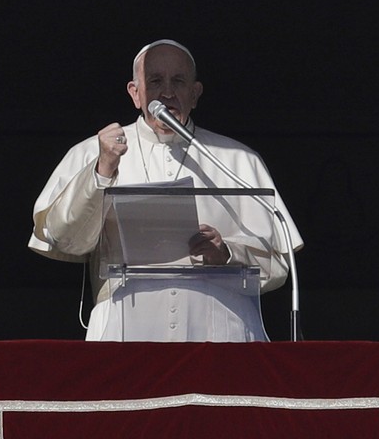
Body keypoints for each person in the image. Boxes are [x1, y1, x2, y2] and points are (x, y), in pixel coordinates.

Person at [29, 39, 303, 341]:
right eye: (155, 81)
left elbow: (278, 264)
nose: (167, 92)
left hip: (222, 334)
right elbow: (64, 239)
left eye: (179, 81)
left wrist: (226, 253)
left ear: (195, 93)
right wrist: (103, 170)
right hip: (125, 333)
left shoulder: (237, 159)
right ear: (135, 93)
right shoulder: (92, 154)